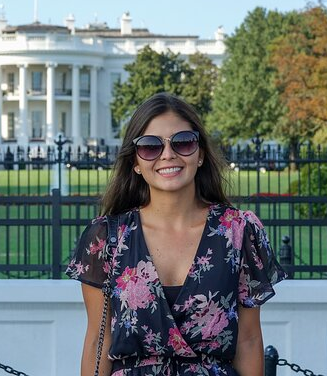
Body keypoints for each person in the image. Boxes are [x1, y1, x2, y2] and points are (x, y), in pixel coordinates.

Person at [66, 93, 286, 376]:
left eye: (182, 142)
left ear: (201, 153)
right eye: (150, 146)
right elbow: (99, 339)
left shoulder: (238, 231)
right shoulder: (107, 237)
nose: (168, 154)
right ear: (135, 162)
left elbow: (248, 340)